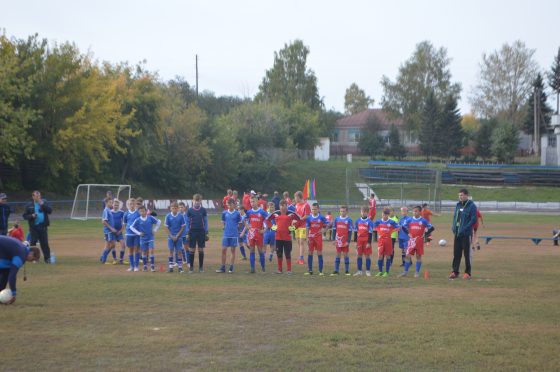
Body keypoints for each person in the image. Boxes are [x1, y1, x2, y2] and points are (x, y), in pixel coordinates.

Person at [0, 236, 41, 305]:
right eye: (33, 259)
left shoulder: (23, 249)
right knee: (7, 272)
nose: (31, 261)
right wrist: (13, 293)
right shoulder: (21, 255)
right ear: (31, 253)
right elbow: (12, 276)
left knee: (6, 272)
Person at [399, 206, 434, 278]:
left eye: (416, 211)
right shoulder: (409, 220)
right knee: (407, 255)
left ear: (420, 212)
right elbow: (403, 227)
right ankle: (405, 272)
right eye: (413, 211)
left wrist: (425, 234)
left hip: (419, 241)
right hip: (411, 241)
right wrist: (408, 233)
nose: (414, 212)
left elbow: (432, 228)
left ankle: (417, 272)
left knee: (418, 256)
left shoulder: (423, 220)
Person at [266, 200, 300, 274]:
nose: (282, 207)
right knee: (279, 254)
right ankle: (279, 270)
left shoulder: (291, 213)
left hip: (287, 238)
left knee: (287, 253)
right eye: (281, 205)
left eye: (284, 205)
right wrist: (272, 227)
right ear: (279, 206)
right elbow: (267, 220)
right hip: (278, 237)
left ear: (286, 206)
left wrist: (293, 228)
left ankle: (289, 270)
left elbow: (300, 220)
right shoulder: (276, 213)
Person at [449, 189, 477, 280]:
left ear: (466, 195)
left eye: (461, 195)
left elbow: (473, 220)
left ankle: (467, 273)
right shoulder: (458, 205)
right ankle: (455, 271)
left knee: (467, 254)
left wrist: (464, 228)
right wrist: (453, 226)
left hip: (466, 234)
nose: (460, 197)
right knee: (456, 254)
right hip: (457, 234)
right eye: (459, 195)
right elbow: (455, 217)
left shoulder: (472, 206)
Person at [22, 190, 53, 263]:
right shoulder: (29, 205)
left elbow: (50, 211)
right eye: (36, 196)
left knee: (45, 243)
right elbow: (24, 216)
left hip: (43, 227)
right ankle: (34, 259)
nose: (38, 197)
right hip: (34, 228)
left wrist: (42, 204)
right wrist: (31, 216)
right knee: (33, 244)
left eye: (39, 196)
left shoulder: (44, 202)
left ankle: (47, 259)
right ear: (33, 197)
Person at [241, 196, 268, 273]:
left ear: (257, 202)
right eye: (251, 202)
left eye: (253, 201)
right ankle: (252, 269)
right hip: (251, 234)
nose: (252, 203)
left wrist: (264, 230)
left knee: (260, 251)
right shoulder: (249, 212)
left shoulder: (262, 212)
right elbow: (243, 219)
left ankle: (263, 268)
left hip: (259, 234)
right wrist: (247, 226)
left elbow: (268, 220)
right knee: (252, 251)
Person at [130, 205, 161, 272]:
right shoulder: (137, 220)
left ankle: (152, 267)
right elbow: (131, 227)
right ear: (139, 212)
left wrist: (155, 230)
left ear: (146, 211)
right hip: (143, 238)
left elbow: (159, 222)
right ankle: (145, 266)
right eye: (141, 211)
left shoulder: (150, 218)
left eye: (143, 211)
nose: (142, 212)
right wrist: (139, 233)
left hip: (150, 237)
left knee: (151, 250)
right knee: (144, 252)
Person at [372, 209, 401, 277]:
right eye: (383, 215)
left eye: (385, 215)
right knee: (380, 256)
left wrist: (392, 231)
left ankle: (387, 272)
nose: (384, 216)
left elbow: (399, 227)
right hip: (381, 241)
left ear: (388, 215)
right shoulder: (378, 221)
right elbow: (374, 227)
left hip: (388, 241)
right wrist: (378, 230)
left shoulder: (391, 222)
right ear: (382, 214)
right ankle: (380, 271)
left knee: (388, 256)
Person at [217, 198, 242, 273]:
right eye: (227, 204)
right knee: (223, 250)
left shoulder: (237, 213)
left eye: (230, 204)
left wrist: (236, 229)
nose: (228, 206)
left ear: (233, 204)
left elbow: (240, 223)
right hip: (226, 234)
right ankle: (223, 267)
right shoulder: (224, 213)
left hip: (234, 235)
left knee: (232, 251)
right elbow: (223, 221)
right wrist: (224, 226)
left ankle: (231, 267)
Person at [186, 194, 209, 273]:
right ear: (193, 201)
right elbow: (187, 222)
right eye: (195, 201)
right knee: (192, 249)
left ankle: (201, 267)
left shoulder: (203, 210)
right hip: (192, 231)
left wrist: (206, 231)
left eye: (198, 201)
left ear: (200, 201)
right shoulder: (189, 210)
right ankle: (191, 268)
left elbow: (206, 221)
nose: (197, 202)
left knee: (200, 249)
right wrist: (187, 232)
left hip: (201, 231)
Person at [305, 202, 330, 275]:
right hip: (311, 238)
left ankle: (320, 271)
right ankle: (310, 270)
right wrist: (307, 237)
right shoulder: (309, 217)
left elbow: (329, 224)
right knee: (310, 253)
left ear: (318, 209)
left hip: (318, 238)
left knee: (319, 253)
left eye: (315, 209)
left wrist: (324, 230)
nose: (313, 211)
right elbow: (307, 228)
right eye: (312, 209)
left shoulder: (321, 217)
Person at [164, 201, 186, 273]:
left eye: (176, 208)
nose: (174, 209)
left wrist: (177, 235)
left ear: (177, 209)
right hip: (170, 237)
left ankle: (180, 267)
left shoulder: (181, 216)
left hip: (178, 237)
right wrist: (171, 236)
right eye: (173, 208)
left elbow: (183, 226)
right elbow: (166, 227)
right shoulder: (168, 216)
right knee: (171, 251)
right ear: (170, 208)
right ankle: (170, 267)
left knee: (179, 251)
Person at [331, 206, 353, 276]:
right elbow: (334, 230)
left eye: (343, 211)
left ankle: (347, 271)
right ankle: (336, 270)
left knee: (346, 255)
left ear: (347, 212)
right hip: (338, 240)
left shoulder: (349, 220)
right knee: (338, 254)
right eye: (341, 211)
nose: (342, 212)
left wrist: (348, 241)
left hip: (345, 240)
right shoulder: (336, 219)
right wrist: (333, 239)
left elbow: (350, 231)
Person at [353, 206, 374, 277]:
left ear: (367, 213)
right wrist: (355, 241)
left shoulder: (369, 222)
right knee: (359, 255)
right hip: (359, 240)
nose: (363, 213)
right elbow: (355, 232)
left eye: (365, 212)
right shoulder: (357, 221)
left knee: (367, 256)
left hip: (366, 240)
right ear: (360, 212)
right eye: (362, 212)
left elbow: (370, 233)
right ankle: (359, 271)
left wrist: (369, 243)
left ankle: (368, 271)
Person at [294, 191, 311, 265]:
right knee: (298, 242)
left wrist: (301, 219)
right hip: (296, 226)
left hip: (303, 226)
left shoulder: (306, 205)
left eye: (295, 197)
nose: (295, 199)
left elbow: (307, 215)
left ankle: (301, 258)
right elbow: (295, 214)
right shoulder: (296, 205)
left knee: (301, 242)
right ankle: (300, 257)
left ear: (299, 197)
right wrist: (294, 220)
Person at [123, 198, 140, 272]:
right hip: (128, 234)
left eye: (133, 204)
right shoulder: (126, 213)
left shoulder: (138, 213)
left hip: (136, 234)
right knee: (130, 250)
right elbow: (125, 224)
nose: (132, 205)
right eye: (130, 204)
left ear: (135, 205)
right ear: (128, 205)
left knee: (136, 249)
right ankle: (131, 266)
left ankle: (136, 266)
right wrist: (124, 233)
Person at [99, 197, 117, 265]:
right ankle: (104, 258)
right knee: (112, 244)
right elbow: (104, 221)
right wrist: (111, 228)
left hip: (109, 231)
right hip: (109, 231)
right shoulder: (106, 210)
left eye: (112, 202)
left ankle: (103, 257)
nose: (111, 203)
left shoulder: (109, 210)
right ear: (106, 203)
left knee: (108, 245)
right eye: (110, 202)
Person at [111, 199, 126, 265]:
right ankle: (114, 259)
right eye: (114, 205)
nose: (115, 206)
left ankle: (121, 260)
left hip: (119, 232)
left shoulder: (122, 212)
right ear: (112, 205)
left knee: (123, 245)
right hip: (112, 232)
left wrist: (121, 231)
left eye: (117, 205)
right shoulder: (109, 212)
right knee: (113, 245)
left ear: (119, 206)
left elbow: (124, 222)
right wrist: (111, 229)